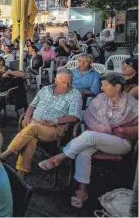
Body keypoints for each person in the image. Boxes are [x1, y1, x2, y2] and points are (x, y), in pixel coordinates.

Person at [38, 72, 137, 208]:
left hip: (121, 142)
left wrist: (123, 130)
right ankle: (82, 191)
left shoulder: (132, 104)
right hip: (96, 139)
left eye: (105, 85)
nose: (101, 89)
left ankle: (61, 156)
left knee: (89, 137)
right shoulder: (100, 99)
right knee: (84, 152)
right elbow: (89, 117)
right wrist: (105, 130)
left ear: (117, 87)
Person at [0, 68, 82, 177]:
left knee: (32, 128)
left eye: (69, 83)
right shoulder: (45, 89)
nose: (66, 86)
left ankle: (4, 155)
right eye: (63, 82)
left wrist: (54, 121)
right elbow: (32, 105)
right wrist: (27, 117)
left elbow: (73, 117)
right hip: (34, 124)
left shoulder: (75, 94)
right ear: (55, 80)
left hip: (54, 128)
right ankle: (21, 175)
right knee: (31, 137)